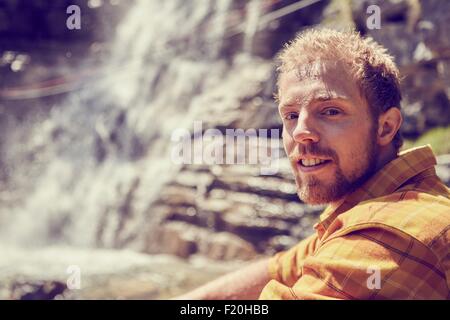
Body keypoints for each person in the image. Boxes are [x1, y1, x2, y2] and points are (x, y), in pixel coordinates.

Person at [174, 28, 450, 300]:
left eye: (330, 111)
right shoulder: (374, 205)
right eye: (291, 115)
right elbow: (281, 269)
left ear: (385, 128)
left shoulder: (389, 234)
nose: (300, 132)